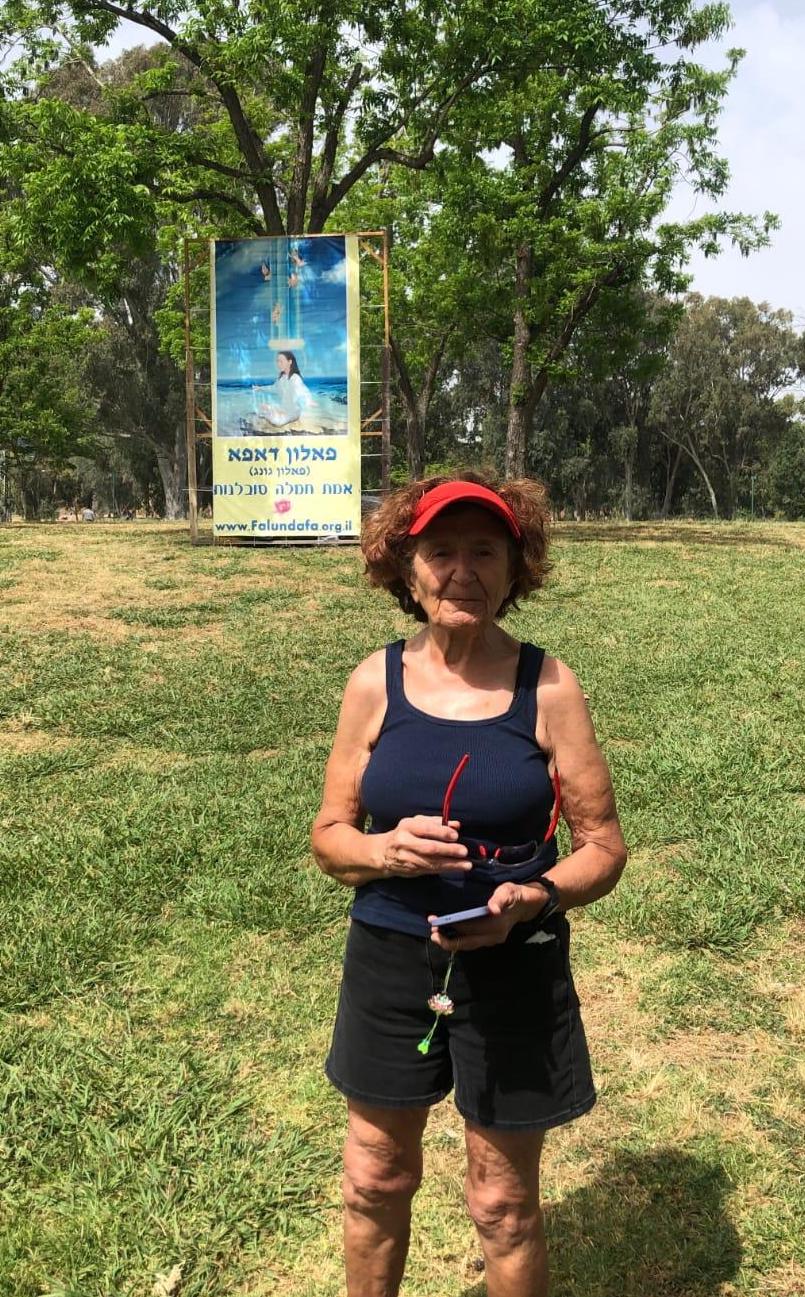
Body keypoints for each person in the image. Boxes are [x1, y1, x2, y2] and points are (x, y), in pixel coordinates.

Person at [311, 473, 628, 1297]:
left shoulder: (547, 686)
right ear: (405, 566)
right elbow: (330, 836)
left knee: (503, 1203)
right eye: (440, 550)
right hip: (390, 955)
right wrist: (382, 850)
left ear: (515, 567)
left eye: (484, 551)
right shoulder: (373, 681)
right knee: (373, 1177)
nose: (462, 571)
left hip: (512, 961)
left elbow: (602, 847)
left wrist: (535, 899)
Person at [259, 350, 310, 428]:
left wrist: (308, 400)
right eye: (277, 361)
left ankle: (274, 412)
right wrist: (261, 388)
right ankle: (273, 411)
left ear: (290, 362)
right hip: (284, 408)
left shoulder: (295, 378)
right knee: (262, 411)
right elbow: (274, 388)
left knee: (275, 421)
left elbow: (302, 390)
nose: (278, 364)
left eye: (281, 361)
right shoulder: (282, 378)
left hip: (293, 411)